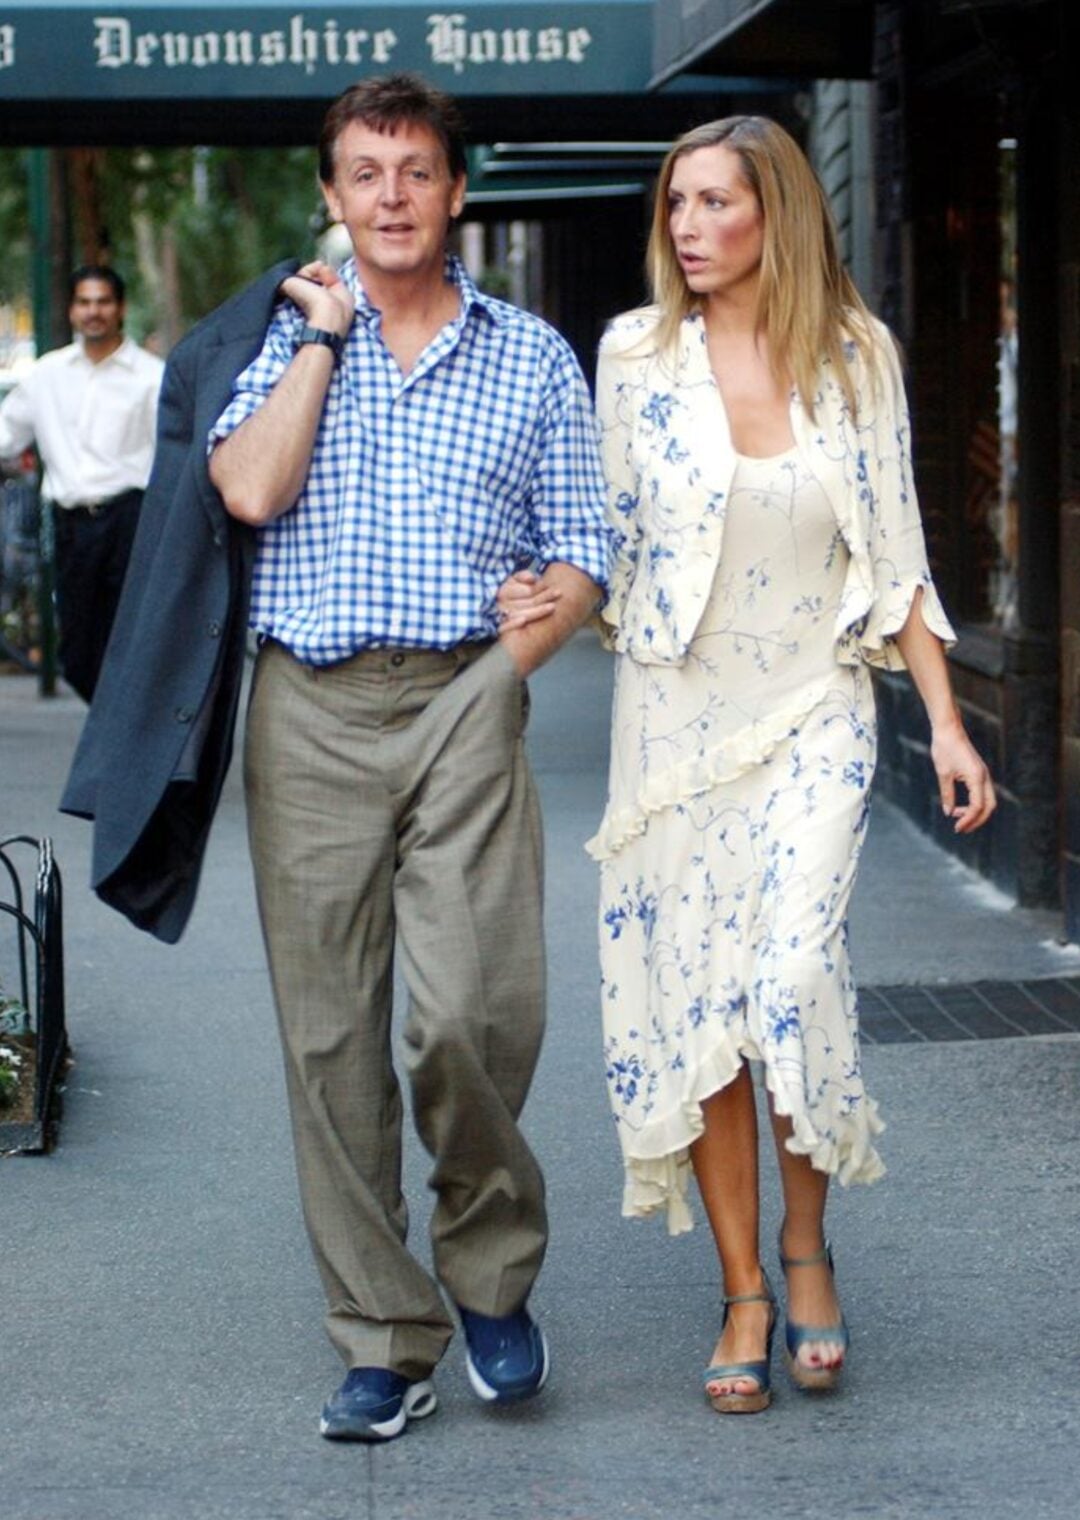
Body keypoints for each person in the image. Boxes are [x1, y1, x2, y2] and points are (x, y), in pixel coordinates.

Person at [500, 115, 995, 1414]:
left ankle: (806, 1248)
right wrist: (484, 664)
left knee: (786, 977)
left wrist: (945, 722)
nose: (689, 229)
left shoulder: (854, 359)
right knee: (703, 1017)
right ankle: (743, 1294)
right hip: (673, 725)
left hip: (813, 709)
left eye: (716, 203)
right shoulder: (637, 358)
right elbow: (591, 542)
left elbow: (896, 553)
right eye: (677, 206)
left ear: (777, 213)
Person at [202, 73, 611, 1442]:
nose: (390, 196)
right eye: (365, 173)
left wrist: (539, 632)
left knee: (470, 1014)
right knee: (331, 1041)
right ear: (332, 195)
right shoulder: (276, 335)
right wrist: (323, 343)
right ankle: (386, 1336)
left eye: (416, 171)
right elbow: (251, 489)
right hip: (306, 707)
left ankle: (490, 1276)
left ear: (456, 190)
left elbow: (586, 547)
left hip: (463, 698)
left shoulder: (533, 355)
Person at [0, 266, 164, 700]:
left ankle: (121, 743)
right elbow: (6, 435)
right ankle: (119, 728)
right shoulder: (45, 375)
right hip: (71, 525)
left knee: (130, 642)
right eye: (85, 302)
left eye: (104, 301)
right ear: (72, 310)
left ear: (120, 308)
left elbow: (171, 454)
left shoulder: (152, 377)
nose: (94, 311)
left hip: (132, 520)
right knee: (78, 653)